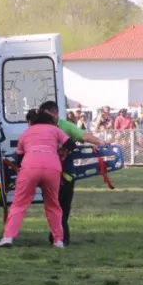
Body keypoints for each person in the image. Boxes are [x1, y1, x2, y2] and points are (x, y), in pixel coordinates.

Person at [0, 108, 75, 248]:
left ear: (30, 121)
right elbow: (71, 144)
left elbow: (19, 157)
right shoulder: (54, 130)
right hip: (52, 168)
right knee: (53, 205)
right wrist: (62, 151)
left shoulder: (26, 133)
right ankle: (58, 241)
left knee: (19, 204)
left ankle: (8, 237)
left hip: (30, 168)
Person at [38, 100, 104, 246]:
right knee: (53, 207)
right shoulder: (39, 127)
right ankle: (58, 237)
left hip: (65, 174)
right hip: (47, 174)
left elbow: (84, 136)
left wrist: (99, 142)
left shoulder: (65, 126)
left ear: (55, 115)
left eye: (47, 115)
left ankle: (60, 237)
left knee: (63, 207)